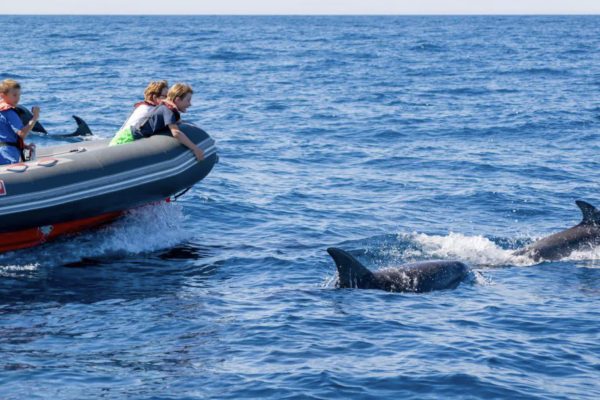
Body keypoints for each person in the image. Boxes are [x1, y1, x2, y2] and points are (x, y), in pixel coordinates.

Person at [110, 83, 204, 161]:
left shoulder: (167, 108)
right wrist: (195, 149)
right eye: (188, 100)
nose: (190, 104)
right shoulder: (168, 110)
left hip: (131, 135)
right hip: (127, 138)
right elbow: (176, 133)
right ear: (177, 100)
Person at [0, 79, 39, 165]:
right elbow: (22, 134)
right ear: (2, 95)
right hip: (7, 155)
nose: (17, 98)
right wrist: (35, 117)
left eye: (19, 95)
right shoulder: (9, 112)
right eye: (14, 95)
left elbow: (5, 135)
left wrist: (24, 146)